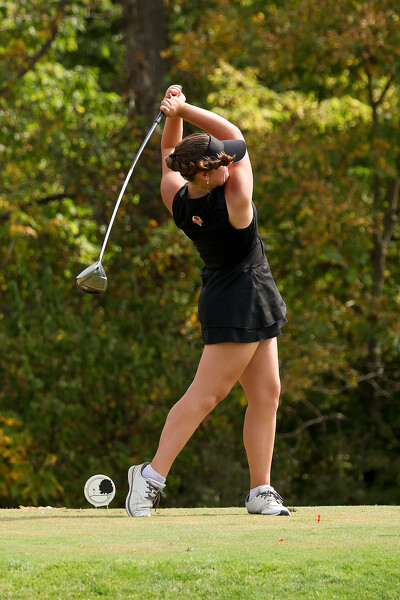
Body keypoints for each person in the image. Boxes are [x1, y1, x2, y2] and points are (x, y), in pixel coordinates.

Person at [125, 84, 290, 517]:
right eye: (221, 162)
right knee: (206, 395)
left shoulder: (178, 197)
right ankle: (150, 477)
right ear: (204, 174)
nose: (230, 163)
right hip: (240, 300)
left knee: (267, 393)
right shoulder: (236, 201)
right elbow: (236, 134)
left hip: (237, 295)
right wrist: (184, 109)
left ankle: (260, 490)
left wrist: (172, 116)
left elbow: (169, 152)